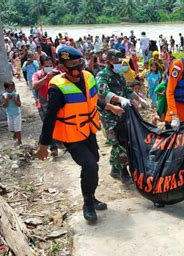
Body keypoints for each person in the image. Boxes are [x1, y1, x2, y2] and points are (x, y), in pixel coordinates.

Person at [36, 46, 124, 223]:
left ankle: (91, 196)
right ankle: (87, 204)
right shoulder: (57, 88)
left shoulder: (88, 76)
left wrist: (110, 106)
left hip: (88, 129)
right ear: (62, 67)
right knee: (90, 165)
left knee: (95, 162)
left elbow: (92, 99)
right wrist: (43, 144)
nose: (76, 67)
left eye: (78, 63)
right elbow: (50, 116)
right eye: (71, 64)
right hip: (71, 134)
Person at [96, 49, 147, 184]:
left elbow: (127, 89)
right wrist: (119, 99)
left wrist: (139, 98)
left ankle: (114, 169)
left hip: (122, 114)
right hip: (109, 115)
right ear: (109, 61)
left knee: (121, 142)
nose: (119, 63)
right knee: (118, 143)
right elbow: (103, 94)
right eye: (116, 61)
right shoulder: (102, 75)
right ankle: (123, 172)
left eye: (120, 60)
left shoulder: (119, 75)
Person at [32, 55, 59, 156]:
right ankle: (53, 148)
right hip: (43, 104)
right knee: (47, 125)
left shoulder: (57, 73)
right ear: (42, 66)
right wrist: (45, 79)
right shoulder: (37, 75)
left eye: (51, 65)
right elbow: (35, 86)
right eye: (47, 66)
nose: (49, 67)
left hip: (55, 103)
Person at [2, 81, 22, 146]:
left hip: (17, 114)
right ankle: (15, 134)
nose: (11, 90)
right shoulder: (4, 95)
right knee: (11, 129)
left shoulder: (16, 94)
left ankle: (19, 141)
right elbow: (4, 106)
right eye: (9, 88)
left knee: (17, 128)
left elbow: (19, 105)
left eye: (12, 88)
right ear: (5, 89)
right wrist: (7, 99)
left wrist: (14, 100)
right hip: (9, 114)